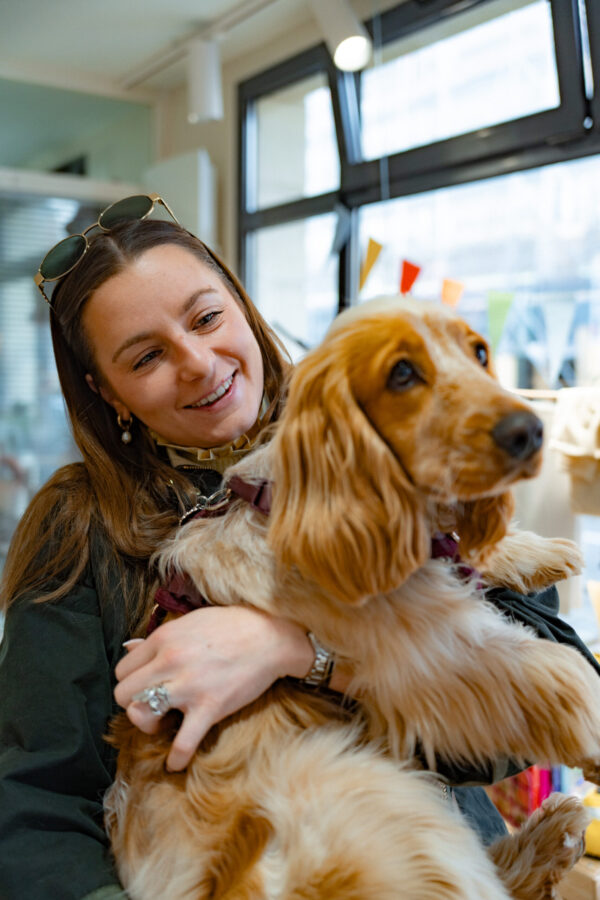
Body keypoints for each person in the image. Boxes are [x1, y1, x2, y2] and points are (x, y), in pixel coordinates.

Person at [0, 197, 597, 900]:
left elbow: (538, 699)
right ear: (109, 392)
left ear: (242, 306)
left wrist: (295, 651)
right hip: (246, 861)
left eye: (206, 318)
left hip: (432, 850)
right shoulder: (78, 524)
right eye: (148, 356)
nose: (198, 363)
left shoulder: (375, 413)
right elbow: (36, 807)